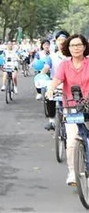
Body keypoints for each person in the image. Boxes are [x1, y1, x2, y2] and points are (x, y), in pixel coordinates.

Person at [46, 34, 89, 186]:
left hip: (88, 105)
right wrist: (51, 89)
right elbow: (57, 80)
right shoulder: (64, 65)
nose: (76, 48)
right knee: (71, 141)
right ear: (67, 48)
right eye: (72, 45)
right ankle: (72, 172)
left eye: (79, 45)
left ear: (84, 47)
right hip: (71, 107)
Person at [40, 31, 69, 131]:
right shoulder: (51, 57)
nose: (61, 42)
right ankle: (51, 121)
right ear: (56, 42)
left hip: (70, 84)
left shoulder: (72, 56)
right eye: (59, 40)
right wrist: (41, 75)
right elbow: (46, 68)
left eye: (63, 40)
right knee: (49, 96)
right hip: (55, 84)